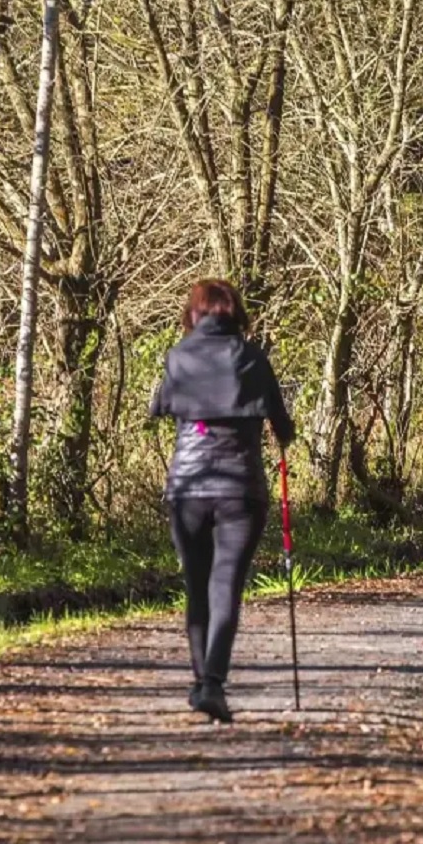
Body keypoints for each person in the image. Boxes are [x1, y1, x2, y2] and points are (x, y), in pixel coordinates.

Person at [150, 280, 295, 722]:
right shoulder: (252, 357)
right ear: (236, 314)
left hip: (188, 489)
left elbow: (160, 407)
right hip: (241, 490)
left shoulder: (178, 357)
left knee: (197, 587)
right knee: (225, 586)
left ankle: (201, 683)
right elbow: (284, 429)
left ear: (194, 315)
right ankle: (212, 681)